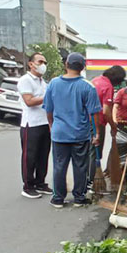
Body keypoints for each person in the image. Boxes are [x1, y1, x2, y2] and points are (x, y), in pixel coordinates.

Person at [43, 53, 102, 209]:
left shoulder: (53, 84)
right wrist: (97, 134)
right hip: (79, 134)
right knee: (80, 166)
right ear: (82, 67)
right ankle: (79, 197)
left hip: (59, 133)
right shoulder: (87, 86)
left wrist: (52, 126)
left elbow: (48, 110)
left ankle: (58, 198)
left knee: (59, 166)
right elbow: (94, 114)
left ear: (66, 64)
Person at [17, 52, 52, 199]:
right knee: (29, 156)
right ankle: (28, 185)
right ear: (31, 64)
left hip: (44, 123)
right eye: (40, 61)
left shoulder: (44, 82)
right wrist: (48, 97)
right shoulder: (25, 80)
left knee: (43, 156)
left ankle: (40, 183)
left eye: (44, 62)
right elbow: (29, 101)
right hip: (30, 124)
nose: (43, 65)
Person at [88, 65, 126, 190]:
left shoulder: (95, 80)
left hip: (86, 120)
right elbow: (106, 111)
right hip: (98, 122)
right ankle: (92, 179)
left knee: (89, 151)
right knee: (95, 152)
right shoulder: (107, 86)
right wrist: (113, 125)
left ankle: (88, 178)